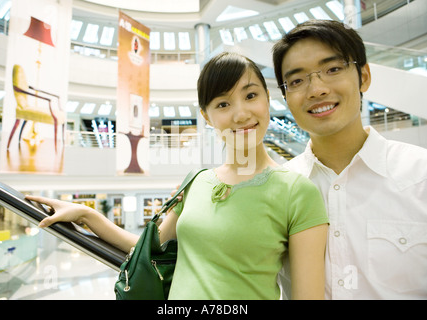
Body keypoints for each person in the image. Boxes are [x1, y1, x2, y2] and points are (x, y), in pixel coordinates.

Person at [27, 52, 329, 300]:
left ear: (267, 99)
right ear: (207, 117)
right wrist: (86, 215)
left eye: (250, 95)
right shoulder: (197, 181)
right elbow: (148, 247)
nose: (240, 114)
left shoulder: (298, 192)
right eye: (223, 104)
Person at [272, 19, 427, 299]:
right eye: (296, 80)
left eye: (332, 69)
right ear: (286, 97)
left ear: (364, 76)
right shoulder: (276, 189)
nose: (316, 89)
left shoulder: (421, 175)